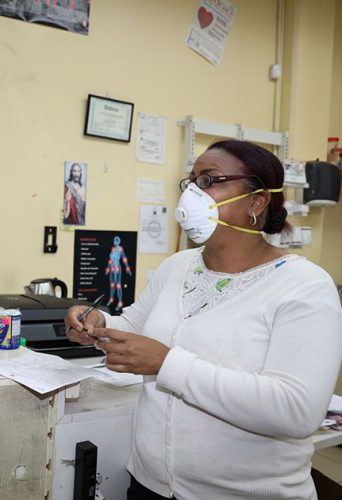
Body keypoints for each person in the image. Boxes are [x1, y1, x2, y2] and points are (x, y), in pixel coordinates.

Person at [66, 140, 342, 499]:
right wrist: (99, 324)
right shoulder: (177, 266)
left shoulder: (304, 286)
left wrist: (167, 363)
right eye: (192, 182)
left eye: (210, 180)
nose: (194, 193)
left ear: (256, 201)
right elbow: (135, 326)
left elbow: (296, 411)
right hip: (149, 484)